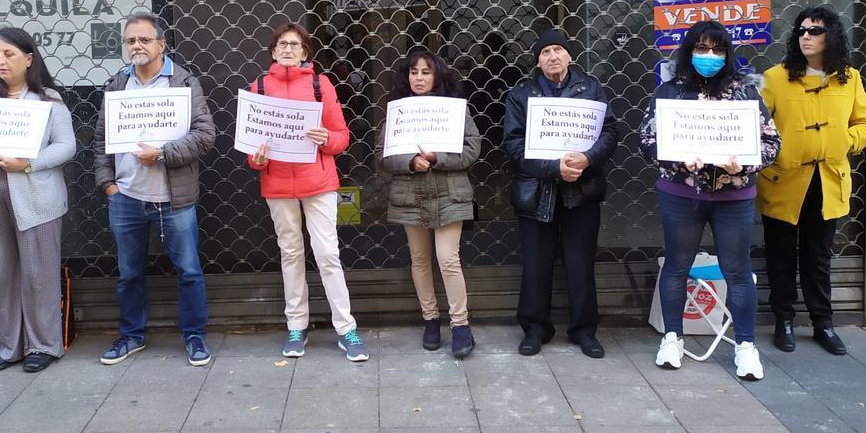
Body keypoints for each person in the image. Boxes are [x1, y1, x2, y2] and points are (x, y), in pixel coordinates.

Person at [640, 20, 780, 380]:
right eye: (702, 49)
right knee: (676, 265)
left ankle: (746, 345)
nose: (709, 56)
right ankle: (673, 336)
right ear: (689, 52)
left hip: (734, 195)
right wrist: (676, 157)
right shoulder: (670, 92)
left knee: (737, 269)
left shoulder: (745, 94)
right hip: (682, 194)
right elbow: (647, 140)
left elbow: (771, 144)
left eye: (717, 50)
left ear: (728, 54)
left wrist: (746, 160)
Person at [94, 11, 215, 367]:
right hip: (126, 197)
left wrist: (162, 154)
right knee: (129, 274)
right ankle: (131, 336)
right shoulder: (117, 86)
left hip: (174, 198)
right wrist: (108, 184)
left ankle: (194, 337)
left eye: (144, 39)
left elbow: (205, 136)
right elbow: (101, 140)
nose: (137, 46)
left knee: (189, 272)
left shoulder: (183, 83)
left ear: (162, 45)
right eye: (130, 40)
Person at [248, 22, 369, 362]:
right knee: (291, 255)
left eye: (295, 45)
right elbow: (250, 145)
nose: (288, 49)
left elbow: (342, 136)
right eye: (282, 44)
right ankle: (296, 327)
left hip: (318, 183)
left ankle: (347, 329)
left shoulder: (320, 84)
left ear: (305, 52)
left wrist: (326, 140)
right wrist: (256, 159)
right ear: (273, 51)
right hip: (278, 185)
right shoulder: (258, 87)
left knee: (328, 255)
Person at [758, 7, 866, 355]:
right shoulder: (774, 77)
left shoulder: (849, 78)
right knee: (780, 255)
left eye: (815, 30)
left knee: (818, 256)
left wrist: (845, 142)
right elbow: (755, 125)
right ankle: (783, 321)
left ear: (832, 37)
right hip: (783, 180)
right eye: (802, 30)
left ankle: (823, 323)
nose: (806, 36)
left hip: (828, 181)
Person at [0, 28, 75, 373]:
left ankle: (44, 345)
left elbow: (66, 146)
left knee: (38, 274)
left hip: (37, 201)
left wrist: (29, 163)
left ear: (29, 59)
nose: (1, 61)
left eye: (9, 54)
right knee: (2, 274)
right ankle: (10, 346)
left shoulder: (48, 101)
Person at [503, 29, 619, 359]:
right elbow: (512, 144)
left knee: (580, 262)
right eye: (545, 52)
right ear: (537, 62)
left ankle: (585, 330)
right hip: (536, 191)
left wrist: (587, 159)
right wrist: (554, 168)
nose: (552, 56)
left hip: (581, 190)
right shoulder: (521, 94)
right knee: (536, 263)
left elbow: (609, 132)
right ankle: (535, 328)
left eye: (558, 50)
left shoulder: (591, 88)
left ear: (569, 55)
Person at [375, 48, 481, 358]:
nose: (419, 78)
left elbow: (472, 148)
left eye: (426, 72)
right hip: (411, 195)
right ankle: (431, 320)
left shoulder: (454, 110)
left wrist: (439, 159)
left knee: (448, 258)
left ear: (437, 75)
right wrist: (410, 162)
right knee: (420, 260)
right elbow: (382, 154)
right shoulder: (399, 111)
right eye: (413, 72)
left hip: (450, 193)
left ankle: (460, 326)